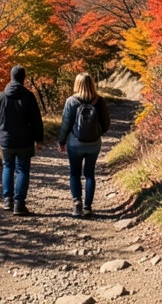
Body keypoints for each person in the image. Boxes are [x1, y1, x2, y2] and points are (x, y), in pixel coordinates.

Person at [0, 65, 44, 216]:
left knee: (7, 166)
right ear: (23, 78)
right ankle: (19, 204)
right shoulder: (29, 96)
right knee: (23, 170)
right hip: (25, 141)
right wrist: (39, 139)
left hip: (6, 140)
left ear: (11, 77)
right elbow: (36, 120)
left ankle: (8, 200)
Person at [57, 72, 111, 218]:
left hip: (75, 143)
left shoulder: (71, 101)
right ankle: (87, 207)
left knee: (74, 173)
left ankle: (77, 204)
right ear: (92, 84)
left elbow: (65, 124)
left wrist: (62, 141)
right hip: (94, 144)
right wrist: (97, 132)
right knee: (89, 174)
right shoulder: (99, 101)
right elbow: (106, 124)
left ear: (77, 84)